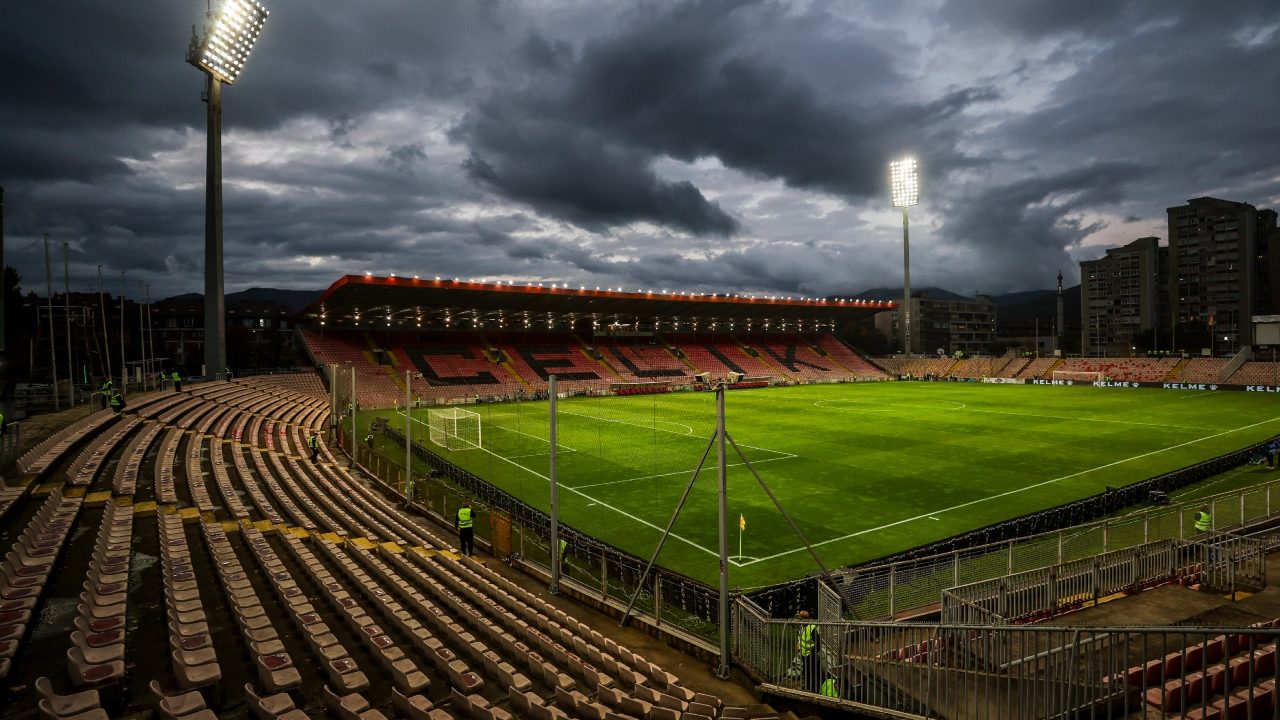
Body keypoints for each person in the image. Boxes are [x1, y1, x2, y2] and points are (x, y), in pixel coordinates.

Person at [795, 610, 821, 693]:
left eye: (800, 618)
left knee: (811, 672)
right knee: (806, 670)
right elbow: (800, 637)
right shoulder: (802, 626)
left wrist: (812, 652)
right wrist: (798, 646)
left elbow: (818, 643)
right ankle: (807, 687)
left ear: (803, 618)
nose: (799, 620)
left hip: (810, 654)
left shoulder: (811, 627)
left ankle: (812, 689)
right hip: (804, 653)